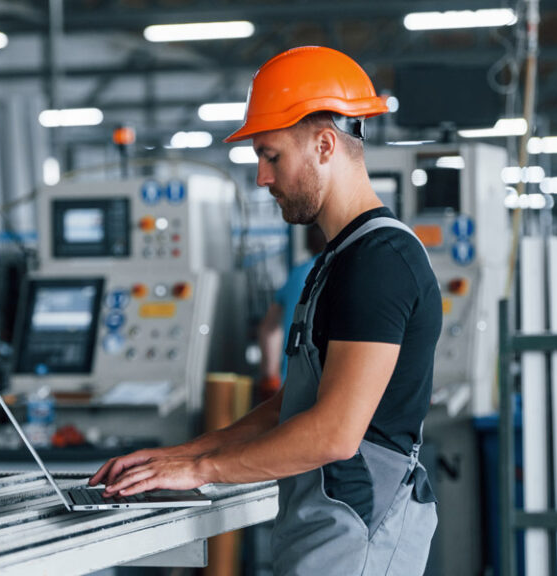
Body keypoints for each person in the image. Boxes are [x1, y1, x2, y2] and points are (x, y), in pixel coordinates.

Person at [90, 46, 441, 576]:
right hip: (328, 527)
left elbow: (334, 433)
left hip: (361, 533)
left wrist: (202, 470)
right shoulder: (340, 258)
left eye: (271, 156)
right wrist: (185, 456)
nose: (261, 177)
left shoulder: (381, 263)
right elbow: (292, 408)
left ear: (325, 145)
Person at [258, 224, 326, 399]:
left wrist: (271, 375)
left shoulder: (299, 273)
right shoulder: (342, 272)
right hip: (328, 388)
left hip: (290, 386)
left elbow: (269, 329)